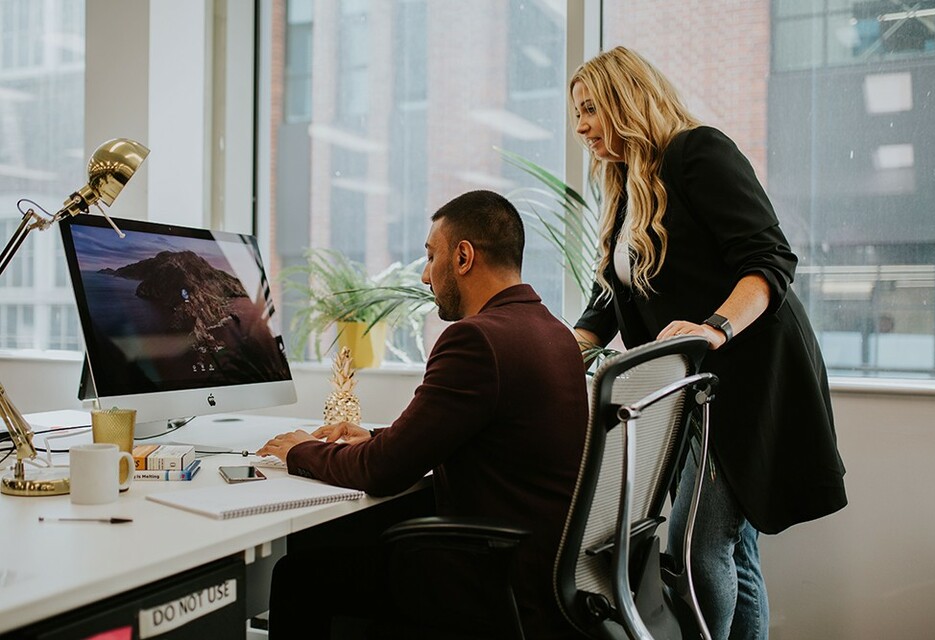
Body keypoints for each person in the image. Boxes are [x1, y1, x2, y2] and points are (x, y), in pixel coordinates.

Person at [567, 46, 847, 639]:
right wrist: (569, 347)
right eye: (577, 114)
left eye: (591, 108)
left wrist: (712, 326)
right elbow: (619, 293)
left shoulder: (697, 152)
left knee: (695, 547)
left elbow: (770, 260)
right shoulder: (626, 186)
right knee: (732, 551)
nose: (581, 126)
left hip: (744, 377)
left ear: (626, 100)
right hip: (693, 389)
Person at [257, 189, 589, 639]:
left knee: (299, 574)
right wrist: (376, 436)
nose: (426, 277)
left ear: (464, 256)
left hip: (492, 580)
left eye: (431, 257)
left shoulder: (477, 340)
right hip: (544, 574)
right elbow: (471, 430)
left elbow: (383, 471)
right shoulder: (553, 332)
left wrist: (303, 450)